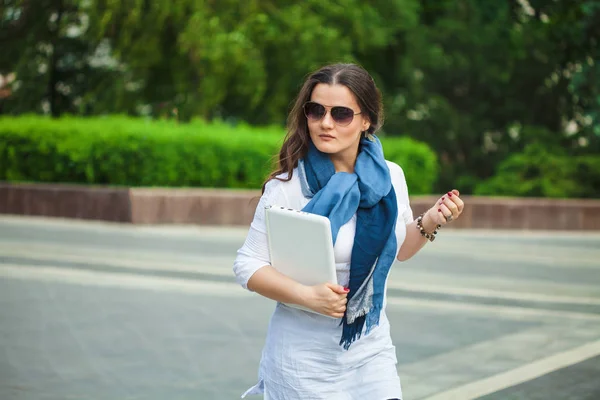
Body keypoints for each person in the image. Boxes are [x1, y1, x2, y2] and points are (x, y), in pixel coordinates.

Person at [233, 63, 464, 400]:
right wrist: (307, 296)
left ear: (365, 120)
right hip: (302, 358)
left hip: (369, 347)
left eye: (341, 114)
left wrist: (431, 220)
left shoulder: (390, 177)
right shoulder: (289, 186)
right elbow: (247, 265)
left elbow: (400, 248)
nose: (325, 123)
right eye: (316, 111)